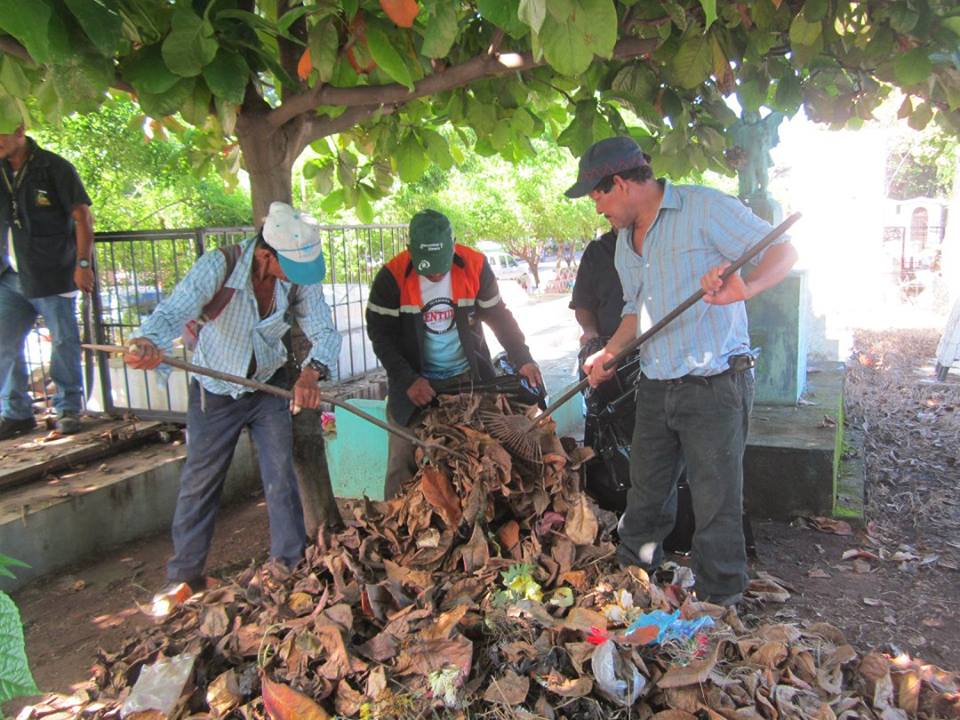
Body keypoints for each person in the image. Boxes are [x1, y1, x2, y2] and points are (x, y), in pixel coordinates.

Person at [569, 136, 798, 606]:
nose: (597, 210)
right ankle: (631, 585)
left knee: (716, 503)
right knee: (646, 494)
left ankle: (720, 605)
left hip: (714, 384)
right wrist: (607, 354)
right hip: (656, 385)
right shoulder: (623, 244)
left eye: (598, 196)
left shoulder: (704, 209)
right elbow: (636, 313)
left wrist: (744, 288)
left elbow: (784, 250)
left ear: (619, 183)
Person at [124, 201, 341, 602]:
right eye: (291, 267)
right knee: (201, 480)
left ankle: (289, 566)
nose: (299, 277)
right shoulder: (218, 267)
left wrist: (312, 372)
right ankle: (185, 574)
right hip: (216, 392)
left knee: (280, 476)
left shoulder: (297, 279)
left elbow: (325, 330)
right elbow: (174, 310)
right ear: (265, 255)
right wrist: (147, 342)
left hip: (268, 387)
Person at [366, 209, 544, 498]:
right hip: (414, 385)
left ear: (454, 246)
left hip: (468, 378)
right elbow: (380, 334)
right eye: (428, 267)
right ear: (410, 251)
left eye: (441, 265)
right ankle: (397, 525)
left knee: (485, 456)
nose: (436, 274)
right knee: (401, 462)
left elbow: (498, 316)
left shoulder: (474, 265)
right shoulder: (392, 276)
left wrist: (522, 357)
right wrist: (407, 379)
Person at [0, 123, 95, 439]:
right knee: (5, 342)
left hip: (55, 271)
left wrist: (82, 264)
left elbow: (82, 216)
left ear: (19, 130)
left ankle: (67, 407)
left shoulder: (54, 167)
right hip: (11, 276)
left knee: (64, 341)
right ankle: (16, 412)